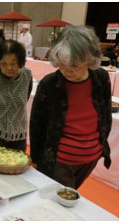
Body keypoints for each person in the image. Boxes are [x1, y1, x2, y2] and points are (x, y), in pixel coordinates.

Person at [30, 26, 112, 189]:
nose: (67, 71)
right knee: (60, 202)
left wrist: (100, 144)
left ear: (89, 60)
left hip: (91, 157)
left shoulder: (101, 78)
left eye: (74, 66)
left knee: (71, 195)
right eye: (61, 65)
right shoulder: (49, 84)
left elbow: (105, 114)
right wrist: (36, 158)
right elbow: (36, 124)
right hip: (59, 161)